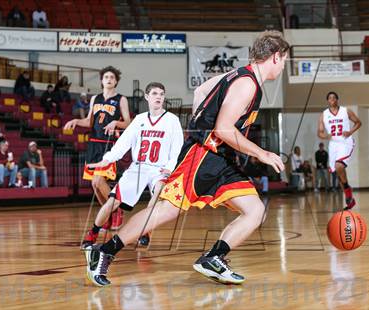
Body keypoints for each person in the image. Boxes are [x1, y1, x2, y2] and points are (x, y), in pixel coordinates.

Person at [85, 30, 289, 287]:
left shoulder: (237, 74)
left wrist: (198, 121)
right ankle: (104, 252)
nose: (283, 65)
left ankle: (213, 258)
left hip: (220, 159)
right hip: (203, 156)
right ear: (274, 56)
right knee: (165, 211)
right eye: (283, 60)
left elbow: (201, 91)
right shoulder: (247, 83)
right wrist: (262, 153)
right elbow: (224, 129)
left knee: (255, 210)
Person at [82, 82, 184, 248]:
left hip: (159, 169)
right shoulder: (139, 119)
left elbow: (177, 147)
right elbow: (123, 143)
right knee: (112, 203)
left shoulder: (172, 120)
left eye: (161, 94)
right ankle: (93, 232)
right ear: (147, 97)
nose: (158, 97)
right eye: (155, 93)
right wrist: (108, 159)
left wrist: (170, 167)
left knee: (158, 191)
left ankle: (145, 230)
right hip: (138, 168)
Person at [64, 66, 131, 229]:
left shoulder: (121, 99)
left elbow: (128, 123)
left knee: (98, 180)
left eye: (112, 77)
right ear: (102, 80)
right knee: (94, 184)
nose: (109, 79)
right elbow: (89, 121)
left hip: (108, 146)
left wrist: (116, 122)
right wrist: (75, 121)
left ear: (116, 82)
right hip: (94, 144)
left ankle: (116, 210)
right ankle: (107, 214)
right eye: (106, 77)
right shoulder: (95, 98)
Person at [318, 91, 361, 209]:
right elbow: (320, 133)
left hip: (345, 143)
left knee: (339, 166)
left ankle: (348, 191)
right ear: (327, 101)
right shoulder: (324, 114)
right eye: (329, 98)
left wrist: (350, 132)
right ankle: (349, 197)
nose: (332, 99)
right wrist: (326, 136)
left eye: (334, 97)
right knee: (338, 172)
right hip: (333, 145)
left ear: (337, 100)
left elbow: (358, 122)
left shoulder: (346, 111)